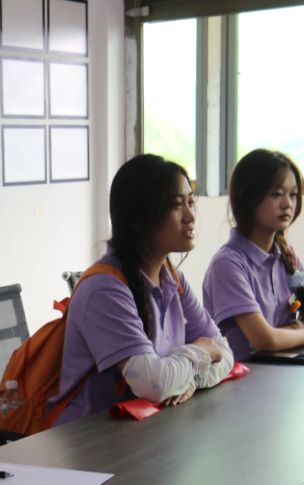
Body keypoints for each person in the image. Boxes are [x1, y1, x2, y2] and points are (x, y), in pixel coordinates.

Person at [47, 154, 234, 426]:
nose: (191, 216)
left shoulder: (174, 279)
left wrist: (188, 380)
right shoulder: (104, 288)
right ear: (136, 218)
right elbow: (153, 385)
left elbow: (225, 353)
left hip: (148, 430)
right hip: (90, 438)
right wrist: (199, 353)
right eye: (176, 205)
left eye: (191, 202)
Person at [202, 148, 304, 361]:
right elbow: (265, 341)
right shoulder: (228, 264)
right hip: (243, 378)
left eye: (293, 194)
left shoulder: (286, 255)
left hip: (281, 373)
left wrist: (292, 328)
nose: (288, 204)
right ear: (248, 197)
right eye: (276, 194)